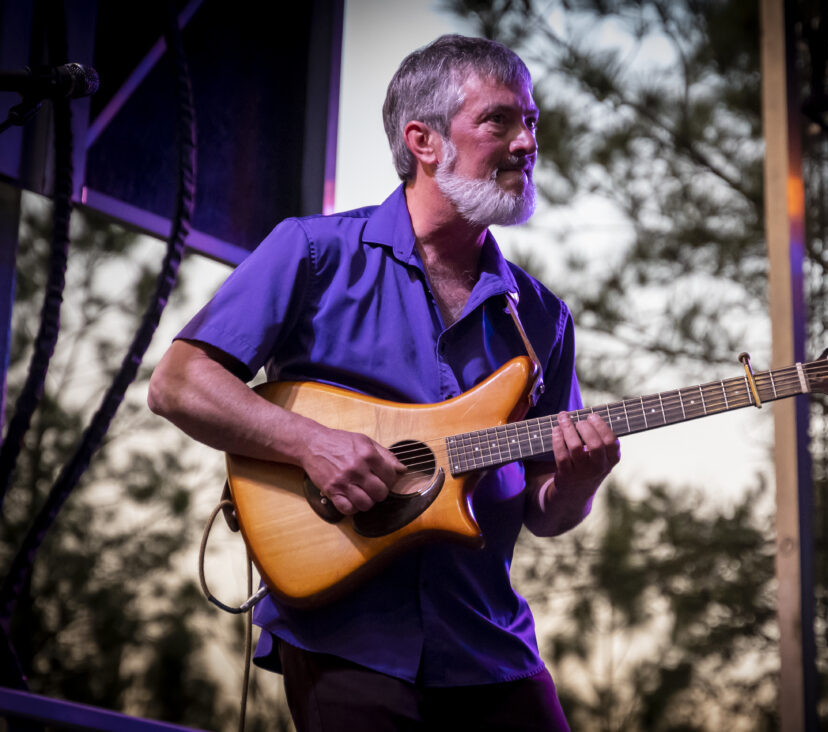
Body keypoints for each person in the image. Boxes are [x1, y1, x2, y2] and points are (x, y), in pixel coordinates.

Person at [149, 34, 620, 731]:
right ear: (423, 141)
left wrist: (578, 481)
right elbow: (180, 383)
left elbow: (544, 511)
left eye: (532, 122)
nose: (526, 143)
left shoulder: (541, 315)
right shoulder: (312, 252)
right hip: (343, 638)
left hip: (490, 645)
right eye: (500, 120)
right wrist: (312, 444)